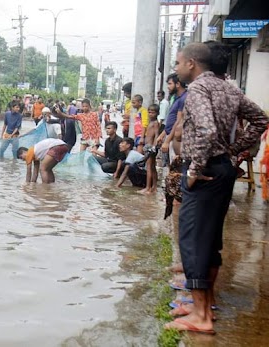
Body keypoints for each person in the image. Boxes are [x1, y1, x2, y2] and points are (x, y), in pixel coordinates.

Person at [163, 42, 268, 334]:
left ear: (192, 63)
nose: (176, 69)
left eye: (178, 63)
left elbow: (207, 131)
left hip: (206, 171)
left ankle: (201, 316)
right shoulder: (229, 88)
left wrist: (195, 169)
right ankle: (203, 307)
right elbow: (261, 120)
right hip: (222, 168)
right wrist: (233, 151)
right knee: (209, 242)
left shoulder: (197, 89)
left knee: (194, 242)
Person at [157, 73, 187, 161]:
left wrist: (167, 141)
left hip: (176, 138)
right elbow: (171, 120)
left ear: (177, 84)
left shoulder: (183, 98)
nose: (168, 87)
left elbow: (178, 121)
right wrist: (163, 135)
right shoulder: (176, 98)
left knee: (176, 168)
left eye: (170, 84)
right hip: (170, 136)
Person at [140, 104, 160, 195]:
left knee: (149, 167)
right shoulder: (150, 122)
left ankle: (148, 187)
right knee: (152, 167)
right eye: (149, 112)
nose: (150, 114)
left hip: (151, 147)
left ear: (157, 113)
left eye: (153, 112)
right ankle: (154, 187)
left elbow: (156, 135)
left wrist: (154, 147)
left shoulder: (155, 123)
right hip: (149, 146)